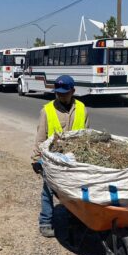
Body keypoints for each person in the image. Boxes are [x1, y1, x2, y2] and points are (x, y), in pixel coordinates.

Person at [31, 76, 89, 238]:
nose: (61, 96)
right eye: (58, 93)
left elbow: (87, 134)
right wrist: (36, 159)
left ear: (73, 91)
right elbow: (40, 137)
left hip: (75, 159)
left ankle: (75, 218)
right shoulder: (47, 110)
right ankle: (45, 222)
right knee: (48, 191)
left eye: (65, 93)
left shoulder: (81, 108)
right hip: (53, 159)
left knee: (75, 191)